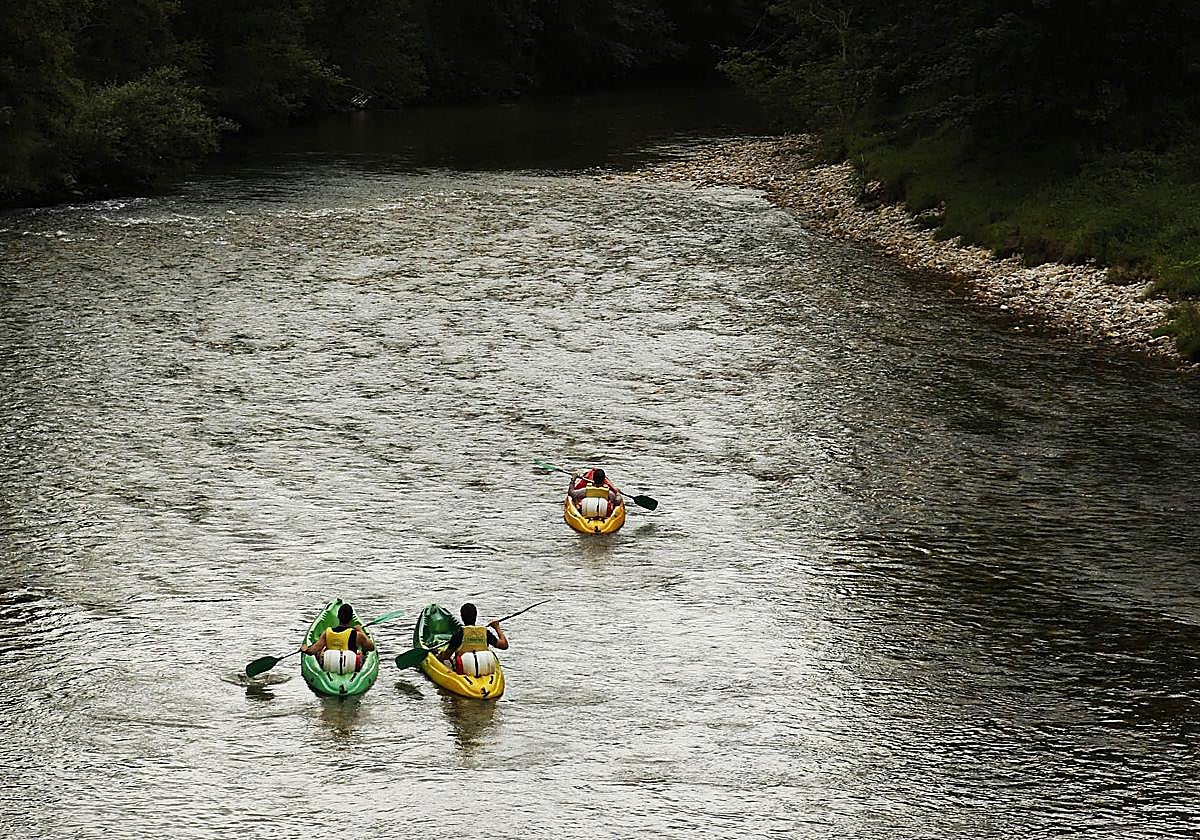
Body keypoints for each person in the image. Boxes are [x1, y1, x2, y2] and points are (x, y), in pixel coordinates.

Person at [300, 602, 376, 673]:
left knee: (320, 652)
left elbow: (312, 651)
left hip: (329, 666)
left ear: (338, 617)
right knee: (363, 651)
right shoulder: (358, 635)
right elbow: (371, 647)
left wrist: (305, 649)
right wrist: (361, 630)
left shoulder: (327, 633)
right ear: (351, 619)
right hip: (350, 666)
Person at [437, 602, 508, 676]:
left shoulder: (459, 634)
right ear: (476, 616)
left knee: (445, 660)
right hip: (483, 666)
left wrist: (439, 656)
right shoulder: (484, 632)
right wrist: (497, 627)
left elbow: (446, 656)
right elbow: (504, 645)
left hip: (464, 669)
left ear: (462, 617)